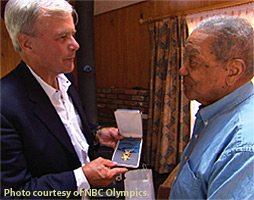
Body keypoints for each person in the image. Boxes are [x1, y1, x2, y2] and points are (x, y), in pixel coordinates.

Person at [1, 0, 127, 199]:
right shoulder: (4, 104)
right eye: (62, 37)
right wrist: (82, 178)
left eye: (73, 34)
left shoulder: (65, 77)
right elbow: (13, 193)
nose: (76, 45)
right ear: (27, 43)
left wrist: (95, 135)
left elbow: (64, 133)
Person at [170, 16, 254, 199]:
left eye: (193, 61)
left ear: (233, 71)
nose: (182, 70)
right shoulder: (214, 112)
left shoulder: (244, 146)